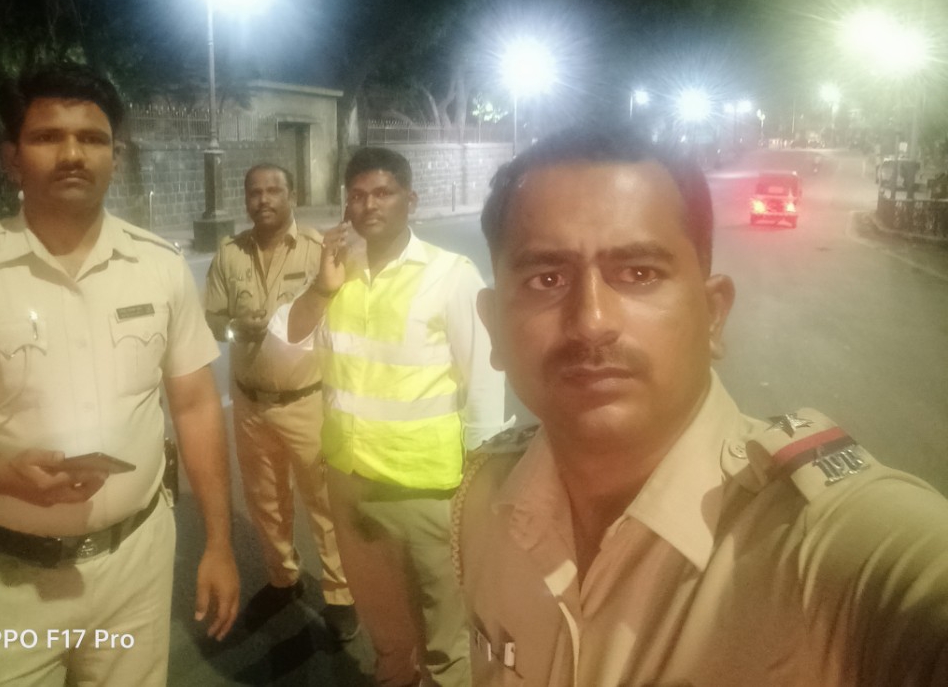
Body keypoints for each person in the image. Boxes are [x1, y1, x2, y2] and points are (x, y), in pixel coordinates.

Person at [456, 127, 948, 686]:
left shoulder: (821, 544)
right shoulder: (482, 504)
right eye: (547, 279)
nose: (591, 321)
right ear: (494, 327)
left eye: (639, 274)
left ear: (713, 316)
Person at [0, 63, 240, 687]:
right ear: (11, 158)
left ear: (115, 156)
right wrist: (1, 476)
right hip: (7, 581)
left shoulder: (159, 266)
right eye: (48, 136)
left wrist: (220, 543)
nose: (73, 153)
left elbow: (196, 404)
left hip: (138, 566)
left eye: (92, 138)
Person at [269, 146, 509, 687]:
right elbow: (283, 351)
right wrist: (323, 287)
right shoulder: (337, 275)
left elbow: (484, 380)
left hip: (425, 490)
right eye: (357, 195)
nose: (369, 204)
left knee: (445, 635)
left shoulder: (450, 276)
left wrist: (483, 488)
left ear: (410, 201)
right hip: (349, 482)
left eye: (383, 193)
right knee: (385, 629)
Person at [204, 163, 358, 641]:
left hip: (307, 401)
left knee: (323, 502)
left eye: (274, 190)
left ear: (292, 195)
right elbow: (212, 320)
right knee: (265, 502)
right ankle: (283, 579)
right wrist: (236, 328)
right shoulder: (229, 254)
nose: (264, 200)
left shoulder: (317, 249)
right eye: (255, 192)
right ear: (246, 199)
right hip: (251, 404)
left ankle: (340, 592)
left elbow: (345, 312)